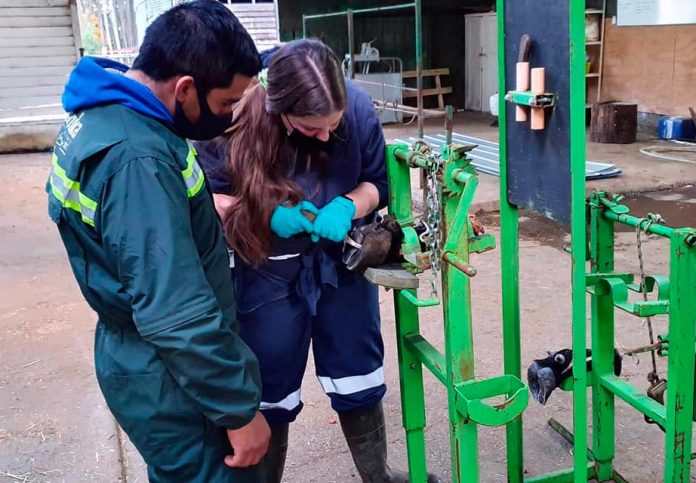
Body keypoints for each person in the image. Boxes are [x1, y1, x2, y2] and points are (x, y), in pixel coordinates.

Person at [198, 39, 441, 483]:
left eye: (333, 125)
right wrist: (265, 214)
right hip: (264, 270)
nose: (327, 136)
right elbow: (205, 197)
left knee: (358, 373)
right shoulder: (231, 120)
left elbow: (376, 183)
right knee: (268, 385)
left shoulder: (358, 109)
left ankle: (377, 474)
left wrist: (348, 205)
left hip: (341, 267)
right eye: (312, 129)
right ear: (280, 110)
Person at [46, 2, 271, 481]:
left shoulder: (110, 113)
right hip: (173, 374)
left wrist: (189, 209)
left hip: (144, 356)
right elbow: (174, 312)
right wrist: (238, 411)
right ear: (185, 88)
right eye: (227, 103)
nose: (229, 117)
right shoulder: (139, 160)